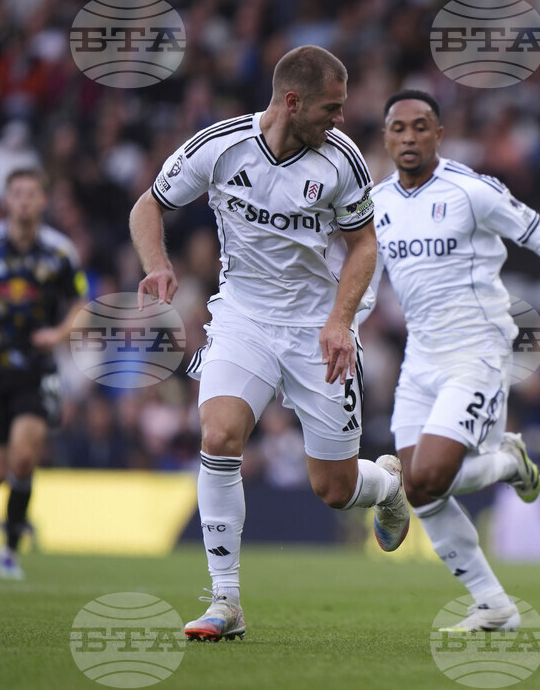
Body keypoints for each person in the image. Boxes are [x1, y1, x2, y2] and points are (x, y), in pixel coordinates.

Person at [129, 45, 409, 642]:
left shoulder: (343, 161)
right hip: (243, 318)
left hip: (317, 327)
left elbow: (364, 246)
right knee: (218, 436)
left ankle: (386, 484)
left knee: (332, 490)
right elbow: (149, 205)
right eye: (331, 108)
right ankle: (225, 601)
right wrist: (157, 264)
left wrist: (339, 321)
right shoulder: (219, 147)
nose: (340, 118)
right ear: (292, 101)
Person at [366, 90, 540, 631]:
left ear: (439, 135)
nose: (408, 137)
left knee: (425, 475)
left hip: (477, 352)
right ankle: (493, 604)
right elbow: (365, 285)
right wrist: (344, 330)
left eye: (421, 127)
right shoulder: (377, 203)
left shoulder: (471, 191)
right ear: (385, 137)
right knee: (420, 492)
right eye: (397, 128)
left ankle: (511, 461)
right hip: (418, 360)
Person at [0, 168, 88, 580]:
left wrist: (60, 333)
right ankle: (15, 522)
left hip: (36, 368)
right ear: (7, 200)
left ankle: (10, 549)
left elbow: (82, 303)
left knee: (25, 457)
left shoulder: (60, 252)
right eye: (18, 193)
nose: (25, 200)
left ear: (43, 201)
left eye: (32, 193)